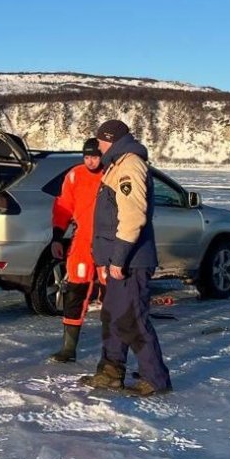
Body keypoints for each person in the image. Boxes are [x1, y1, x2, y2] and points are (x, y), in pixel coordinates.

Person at [80, 119, 172, 397]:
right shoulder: (117, 165)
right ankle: (110, 372)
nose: (98, 146)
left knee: (133, 318)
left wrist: (118, 259)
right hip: (119, 260)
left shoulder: (129, 165)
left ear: (110, 140)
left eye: (100, 141)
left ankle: (155, 379)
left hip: (132, 261)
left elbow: (132, 217)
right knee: (113, 317)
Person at [48, 138, 105, 362]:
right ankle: (68, 349)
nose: (90, 161)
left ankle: (112, 352)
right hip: (81, 242)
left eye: (94, 156)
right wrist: (57, 238)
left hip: (107, 241)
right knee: (75, 293)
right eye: (87, 157)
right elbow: (63, 208)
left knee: (111, 296)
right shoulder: (74, 175)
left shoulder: (110, 174)